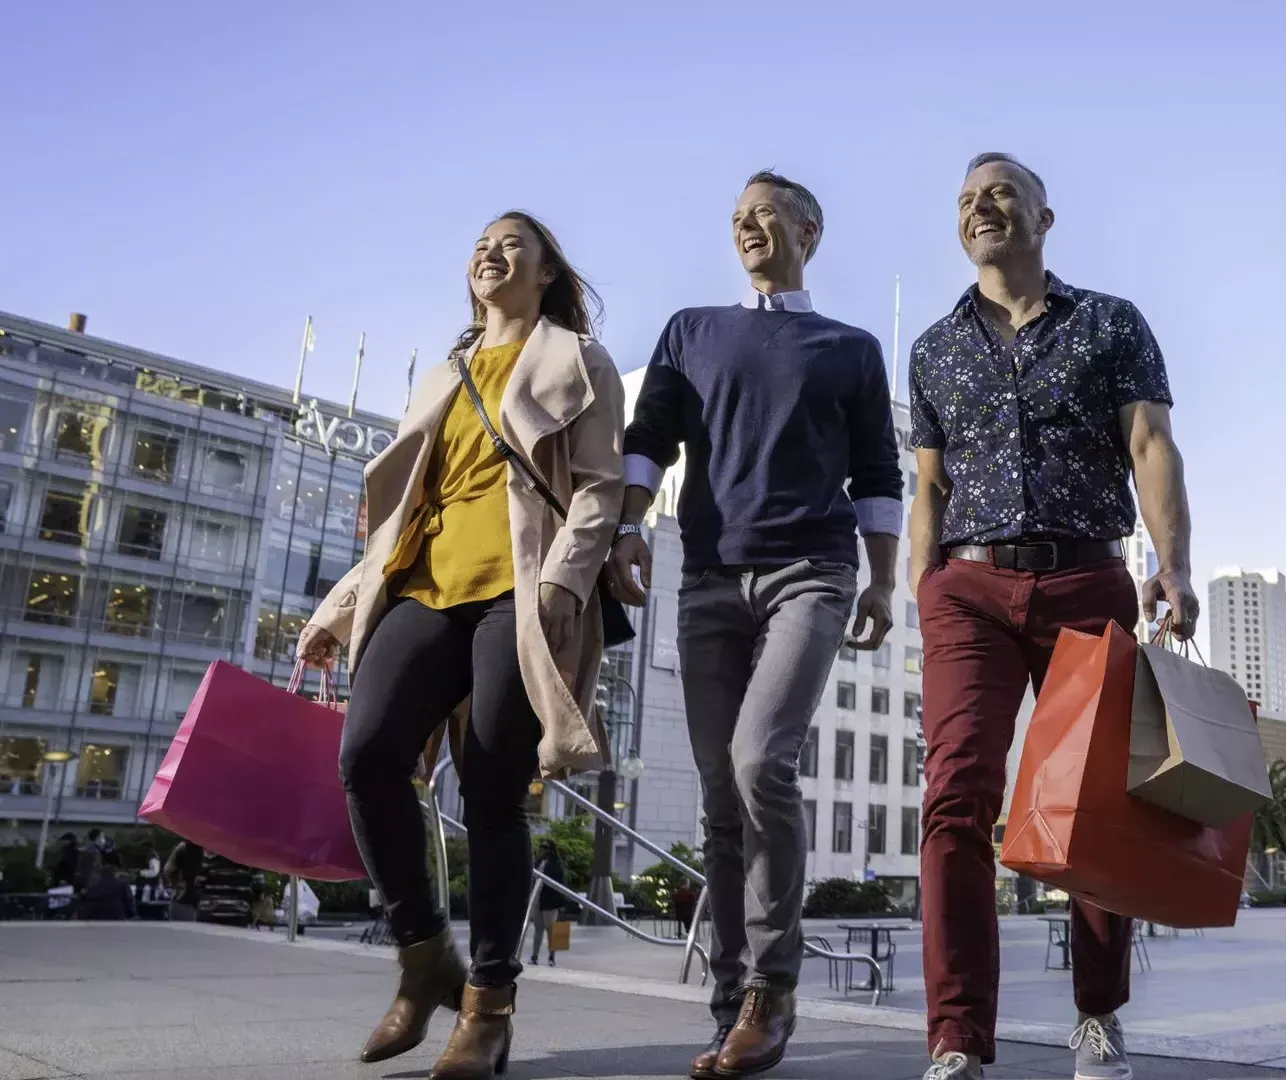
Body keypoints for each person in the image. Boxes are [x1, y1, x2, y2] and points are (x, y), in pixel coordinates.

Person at [298, 210, 624, 1079]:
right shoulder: (444, 374)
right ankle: (421, 954)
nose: (491, 251)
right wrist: (340, 606)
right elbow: (399, 515)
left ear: (549, 270)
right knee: (366, 756)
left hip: (520, 593)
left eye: (513, 242)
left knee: (491, 791)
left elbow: (597, 489)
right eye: (481, 242)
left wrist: (562, 580)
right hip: (421, 588)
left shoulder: (577, 361)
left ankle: (488, 1003)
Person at [606, 170, 902, 1080]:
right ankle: (730, 1003)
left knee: (758, 762)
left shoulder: (847, 347)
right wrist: (626, 527)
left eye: (766, 215)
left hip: (810, 573)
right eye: (738, 218)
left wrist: (884, 584)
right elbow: (649, 436)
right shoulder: (691, 331)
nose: (749, 228)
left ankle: (774, 993)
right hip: (706, 582)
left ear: (809, 230)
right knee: (718, 800)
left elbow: (879, 474)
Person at [908, 153, 1197, 1080]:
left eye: (999, 195)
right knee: (955, 797)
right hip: (968, 586)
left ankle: (1099, 1015)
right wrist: (926, 590)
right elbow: (928, 484)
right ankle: (957, 1038)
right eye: (965, 201)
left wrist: (1174, 564)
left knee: (1091, 802)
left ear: (1044, 216)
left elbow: (1150, 444)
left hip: (1087, 580)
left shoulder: (1111, 323)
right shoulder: (933, 347)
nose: (980, 210)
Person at [529, 840, 566, 967]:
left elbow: (559, 884)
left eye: (545, 848)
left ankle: (551, 957)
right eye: (541, 847)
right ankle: (534, 956)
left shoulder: (556, 865)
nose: (543, 850)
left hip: (550, 902)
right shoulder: (537, 862)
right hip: (537, 901)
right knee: (538, 930)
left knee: (552, 931)